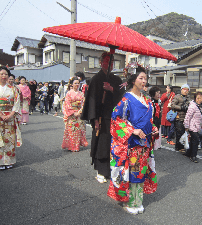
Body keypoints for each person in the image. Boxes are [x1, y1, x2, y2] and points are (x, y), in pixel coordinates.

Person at [107, 63, 158, 215]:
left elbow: (149, 120)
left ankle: (138, 201)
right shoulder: (125, 99)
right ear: (133, 79)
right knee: (130, 174)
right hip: (131, 144)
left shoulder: (147, 100)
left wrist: (153, 127)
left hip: (144, 144)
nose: (144, 81)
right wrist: (132, 130)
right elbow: (116, 120)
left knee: (140, 173)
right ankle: (129, 201)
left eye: (146, 79)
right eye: (141, 78)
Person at [81, 52, 124, 183]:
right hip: (101, 118)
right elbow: (92, 101)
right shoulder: (95, 79)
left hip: (115, 117)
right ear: (100, 63)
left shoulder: (117, 80)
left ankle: (112, 169)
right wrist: (94, 120)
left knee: (114, 144)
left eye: (111, 62)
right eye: (106, 61)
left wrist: (112, 89)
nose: (109, 64)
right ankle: (101, 171)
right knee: (102, 143)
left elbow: (123, 97)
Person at [0, 65, 22, 170]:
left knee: (9, 139)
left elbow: (16, 102)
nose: (4, 76)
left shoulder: (13, 89)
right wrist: (0, 114)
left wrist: (11, 114)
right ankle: (0, 162)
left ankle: (9, 161)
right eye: (2, 73)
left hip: (10, 116)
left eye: (6, 74)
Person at [62, 77, 88, 152]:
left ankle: (76, 146)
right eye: (75, 83)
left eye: (78, 83)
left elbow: (83, 104)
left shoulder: (81, 93)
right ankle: (71, 146)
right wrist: (73, 112)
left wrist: (80, 112)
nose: (77, 84)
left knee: (78, 130)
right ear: (72, 84)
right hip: (71, 115)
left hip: (79, 114)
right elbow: (67, 104)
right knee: (71, 130)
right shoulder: (69, 93)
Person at [171, 84, 191, 153]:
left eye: (187, 90)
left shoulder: (188, 98)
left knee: (184, 132)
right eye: (184, 89)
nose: (186, 91)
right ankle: (179, 147)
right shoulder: (177, 97)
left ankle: (178, 146)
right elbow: (172, 105)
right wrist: (181, 108)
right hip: (178, 118)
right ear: (181, 89)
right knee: (179, 132)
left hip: (186, 118)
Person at [184, 92, 202, 163]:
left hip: (197, 127)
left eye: (201, 98)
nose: (200, 99)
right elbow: (187, 117)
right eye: (198, 98)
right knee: (196, 141)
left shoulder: (199, 106)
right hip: (192, 127)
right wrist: (186, 126)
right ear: (195, 98)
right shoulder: (192, 106)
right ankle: (193, 156)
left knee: (193, 140)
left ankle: (188, 153)